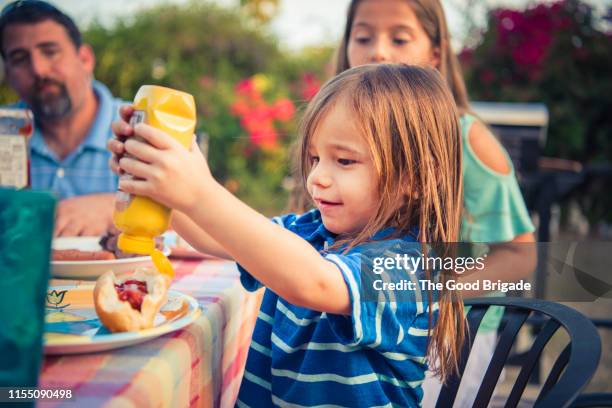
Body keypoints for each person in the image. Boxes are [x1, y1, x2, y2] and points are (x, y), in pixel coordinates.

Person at [109, 64, 465, 407]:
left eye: (344, 161)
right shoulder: (310, 231)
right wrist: (159, 179)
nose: (317, 178)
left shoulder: (414, 267)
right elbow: (213, 234)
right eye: (314, 159)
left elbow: (314, 283)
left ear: (416, 177)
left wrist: (199, 192)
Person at [334, 0, 537, 406]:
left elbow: (519, 253)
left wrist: (431, 299)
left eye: (400, 38)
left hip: (447, 337)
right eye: (363, 37)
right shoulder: (341, 134)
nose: (378, 50)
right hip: (367, 321)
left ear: (434, 55)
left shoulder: (465, 138)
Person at [0, 0, 123, 236]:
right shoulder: (4, 133)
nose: (38, 69)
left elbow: (190, 215)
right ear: (8, 73)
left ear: (85, 59)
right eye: (19, 58)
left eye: (50, 52)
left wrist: (116, 207)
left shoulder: (139, 126)